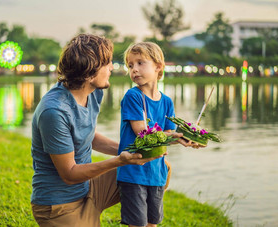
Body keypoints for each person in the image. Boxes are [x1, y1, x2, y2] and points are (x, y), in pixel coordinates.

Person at [30, 34, 169, 227]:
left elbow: (88, 136)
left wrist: (133, 152)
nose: (112, 67)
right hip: (60, 205)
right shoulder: (54, 111)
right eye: (107, 63)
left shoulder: (94, 91)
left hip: (90, 189)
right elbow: (69, 174)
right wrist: (120, 160)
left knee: (158, 169)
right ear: (89, 71)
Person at [117, 42, 197, 227]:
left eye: (140, 63)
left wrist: (185, 138)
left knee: (152, 223)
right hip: (134, 172)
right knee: (137, 223)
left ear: (158, 66)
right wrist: (174, 136)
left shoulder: (167, 101)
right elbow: (143, 134)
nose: (134, 69)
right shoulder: (133, 96)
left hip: (156, 173)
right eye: (130, 65)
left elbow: (168, 135)